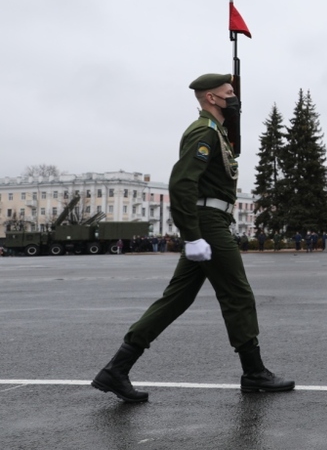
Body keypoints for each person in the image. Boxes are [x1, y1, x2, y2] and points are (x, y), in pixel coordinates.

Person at [91, 73, 294, 402]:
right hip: (209, 223)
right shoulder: (203, 131)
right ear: (211, 98)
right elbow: (182, 184)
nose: (234, 98)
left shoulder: (217, 132)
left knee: (176, 299)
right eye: (228, 93)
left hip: (211, 221)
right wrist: (192, 235)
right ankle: (254, 373)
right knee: (238, 296)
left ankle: (117, 369)